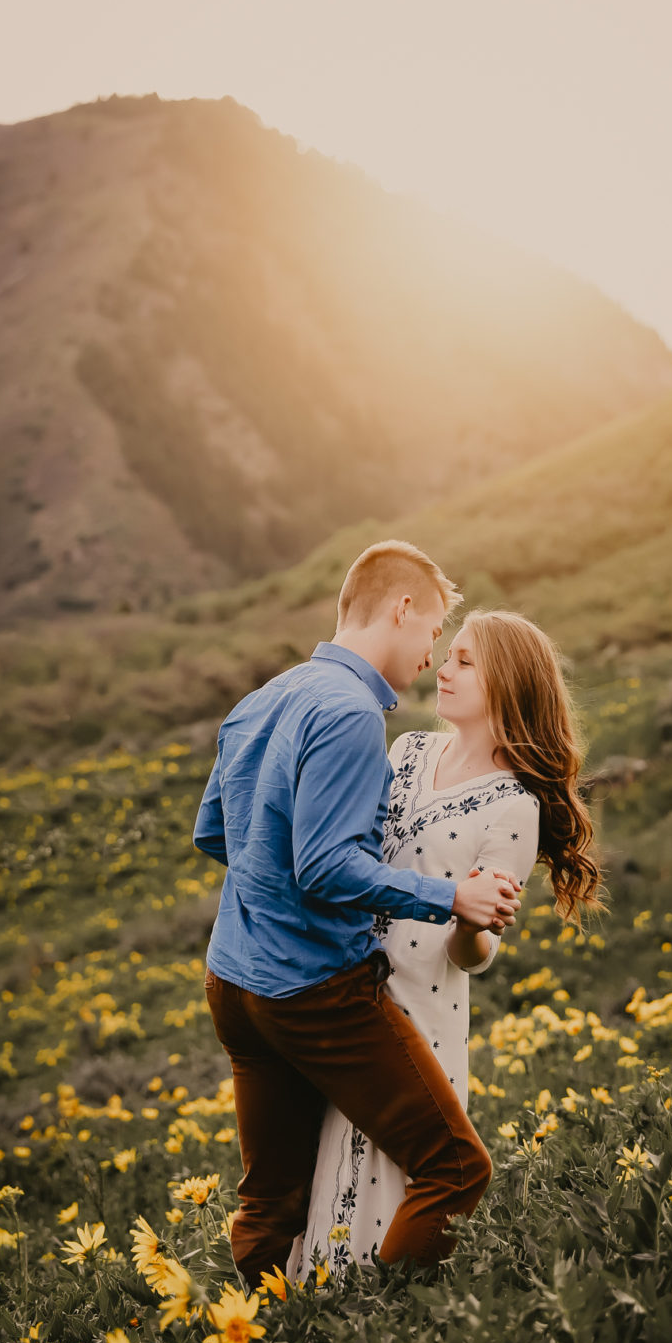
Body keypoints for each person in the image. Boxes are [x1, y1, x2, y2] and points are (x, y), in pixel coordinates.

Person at [193, 541, 522, 1290]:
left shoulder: (264, 698)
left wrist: (267, 901)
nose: (431, 654)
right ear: (401, 609)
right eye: (434, 631)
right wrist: (452, 897)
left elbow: (214, 832)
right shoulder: (347, 713)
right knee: (455, 1167)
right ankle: (373, 1331)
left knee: (271, 1198)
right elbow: (327, 867)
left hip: (232, 984)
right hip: (313, 991)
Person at [288, 608, 604, 1279]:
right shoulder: (408, 753)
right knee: (328, 1148)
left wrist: (470, 924)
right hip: (348, 986)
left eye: (465, 661)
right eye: (448, 653)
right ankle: (315, 1307)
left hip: (422, 1007)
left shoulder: (513, 807)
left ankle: (375, 1309)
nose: (444, 668)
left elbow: (475, 955)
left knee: (395, 1166)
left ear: (508, 684)